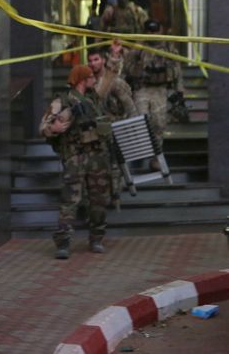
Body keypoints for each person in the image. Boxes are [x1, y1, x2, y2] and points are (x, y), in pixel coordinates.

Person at [40, 65, 112, 259]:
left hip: (97, 157)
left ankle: (96, 238)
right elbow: (43, 127)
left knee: (99, 199)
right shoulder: (62, 101)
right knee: (70, 200)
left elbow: (110, 78)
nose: (94, 79)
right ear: (82, 79)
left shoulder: (94, 99)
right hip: (75, 157)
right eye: (90, 76)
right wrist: (54, 128)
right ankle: (63, 242)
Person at [123, 19, 184, 169]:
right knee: (140, 121)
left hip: (160, 90)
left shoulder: (168, 47)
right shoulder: (138, 48)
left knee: (159, 124)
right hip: (142, 89)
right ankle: (139, 153)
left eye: (154, 31)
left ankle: (156, 157)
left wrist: (180, 91)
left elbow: (177, 69)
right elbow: (126, 69)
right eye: (149, 31)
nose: (152, 34)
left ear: (160, 30)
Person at [87, 43, 137, 208]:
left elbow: (130, 108)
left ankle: (115, 199)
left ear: (103, 60)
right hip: (96, 132)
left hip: (115, 128)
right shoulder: (88, 84)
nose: (92, 63)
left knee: (116, 168)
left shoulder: (115, 82)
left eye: (96, 59)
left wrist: (129, 130)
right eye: (90, 61)